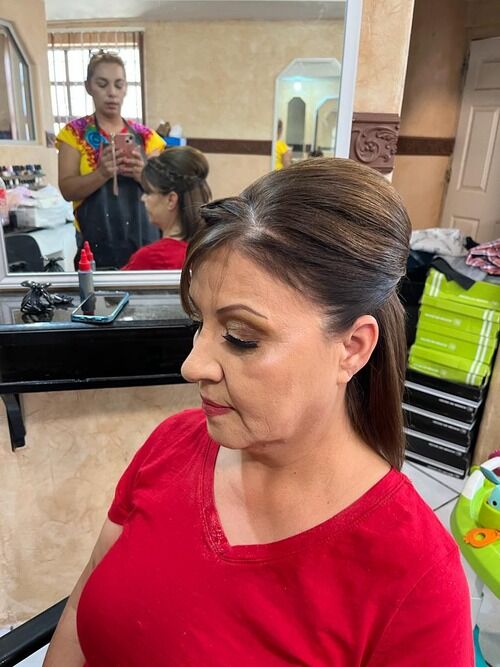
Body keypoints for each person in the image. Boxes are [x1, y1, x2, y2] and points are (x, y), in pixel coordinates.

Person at [43, 158, 473, 666]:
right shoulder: (171, 443)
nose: (193, 365)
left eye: (241, 337)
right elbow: (82, 609)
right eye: (198, 323)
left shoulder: (416, 576)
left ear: (352, 348)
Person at [56, 50, 166, 270]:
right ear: (88, 86)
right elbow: (67, 190)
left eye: (118, 84)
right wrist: (101, 173)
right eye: (102, 84)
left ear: (126, 88)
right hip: (96, 251)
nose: (112, 93)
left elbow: (165, 192)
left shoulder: (147, 138)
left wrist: (142, 175)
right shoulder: (74, 134)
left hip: (146, 247)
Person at [121, 146, 211, 270]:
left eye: (148, 192)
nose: (143, 198)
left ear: (171, 200)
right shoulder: (211, 251)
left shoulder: (150, 258)